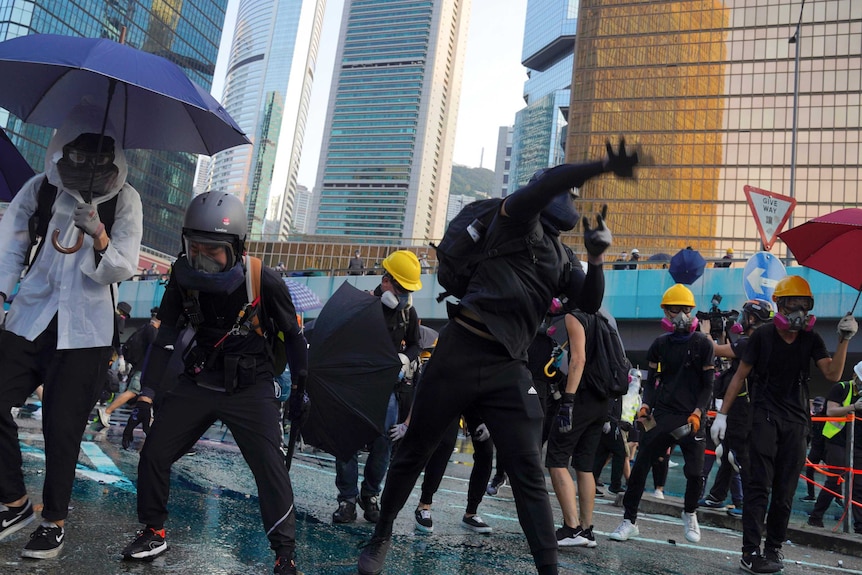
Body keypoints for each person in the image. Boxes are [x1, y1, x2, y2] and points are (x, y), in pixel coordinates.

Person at [357, 140, 638, 575]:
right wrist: (598, 165)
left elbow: (587, 300)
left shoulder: (563, 257)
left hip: (509, 367)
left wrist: (597, 258)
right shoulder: (515, 219)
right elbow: (548, 189)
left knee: (527, 467)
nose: (570, 201)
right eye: (564, 192)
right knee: (415, 450)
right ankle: (382, 534)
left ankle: (549, 568)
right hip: (460, 350)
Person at [119, 192, 309, 575]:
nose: (202, 260)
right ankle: (154, 530)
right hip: (198, 381)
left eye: (214, 251)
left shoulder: (263, 280)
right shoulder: (180, 275)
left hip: (251, 388)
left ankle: (284, 554)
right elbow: (167, 335)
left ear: (237, 248)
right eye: (195, 249)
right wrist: (147, 393)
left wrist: (301, 391)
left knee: (271, 471)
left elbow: (294, 337)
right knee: (154, 454)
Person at [0, 105, 143, 559]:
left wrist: (100, 235)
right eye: (77, 156)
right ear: (61, 151)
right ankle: (14, 501)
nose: (86, 166)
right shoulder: (39, 189)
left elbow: (122, 265)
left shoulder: (126, 201)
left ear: (114, 161)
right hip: (30, 317)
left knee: (63, 428)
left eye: (98, 158)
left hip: (86, 330)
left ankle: (53, 522)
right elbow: (11, 246)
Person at [711, 275, 857, 574]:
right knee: (758, 486)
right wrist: (722, 415)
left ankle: (773, 548)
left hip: (796, 423)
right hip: (763, 417)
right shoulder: (762, 336)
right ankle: (750, 552)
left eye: (805, 306)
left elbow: (831, 374)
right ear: (779, 305)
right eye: (793, 305)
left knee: (785, 491)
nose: (799, 312)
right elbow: (739, 376)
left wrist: (843, 340)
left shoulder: (811, 339)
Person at [610, 283, 714, 545]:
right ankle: (629, 520)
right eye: (672, 310)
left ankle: (690, 513)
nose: (678, 314)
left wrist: (699, 413)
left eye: (683, 309)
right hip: (662, 414)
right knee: (641, 463)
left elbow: (708, 385)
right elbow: (652, 381)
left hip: (692, 418)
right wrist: (645, 406)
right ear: (665, 313)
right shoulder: (659, 344)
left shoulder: (703, 343)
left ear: (691, 311)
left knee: (694, 473)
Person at [332, 250, 422, 525]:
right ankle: (346, 499)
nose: (406, 294)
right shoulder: (361, 305)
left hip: (387, 389)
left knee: (384, 442)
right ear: (386, 282)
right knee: (346, 441)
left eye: (409, 290)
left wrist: (406, 358)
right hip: (356, 384)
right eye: (402, 288)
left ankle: (369, 495)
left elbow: (417, 344)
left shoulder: (407, 312)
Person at [699, 300, 772, 513]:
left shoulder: (750, 342)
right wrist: (722, 331)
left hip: (743, 408)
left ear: (752, 319)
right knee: (728, 451)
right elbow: (731, 352)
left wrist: (705, 332)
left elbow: (716, 350)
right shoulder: (759, 341)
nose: (740, 320)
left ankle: (750, 502)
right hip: (744, 405)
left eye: (744, 316)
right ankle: (717, 495)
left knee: (740, 454)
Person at [547, 310, 612, 549]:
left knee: (557, 459)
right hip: (601, 400)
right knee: (584, 465)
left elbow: (579, 360)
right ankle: (586, 529)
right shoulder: (604, 320)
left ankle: (571, 528)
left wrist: (568, 400)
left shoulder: (575, 316)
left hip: (581, 397)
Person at [806, 360, 862, 533]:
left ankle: (859, 526)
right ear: (855, 376)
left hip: (859, 444)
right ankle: (816, 517)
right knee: (835, 479)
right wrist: (853, 407)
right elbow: (831, 411)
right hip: (837, 441)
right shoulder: (841, 388)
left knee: (859, 485)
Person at [97, 307, 161, 429]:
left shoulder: (143, 328)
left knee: (146, 395)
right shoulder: (152, 330)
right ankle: (107, 411)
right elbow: (153, 351)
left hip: (140, 366)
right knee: (134, 391)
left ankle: (149, 422)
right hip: (144, 368)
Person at [801, 395, 828, 502]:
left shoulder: (828, 416)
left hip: (826, 448)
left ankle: (838, 497)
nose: (817, 408)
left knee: (835, 473)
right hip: (816, 448)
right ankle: (811, 495)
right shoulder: (812, 418)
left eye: (819, 406)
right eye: (815, 405)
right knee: (809, 471)